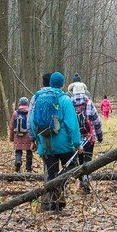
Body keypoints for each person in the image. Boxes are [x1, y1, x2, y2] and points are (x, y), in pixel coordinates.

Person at [29, 71, 82, 211]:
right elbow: (72, 124)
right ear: (63, 84)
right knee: (72, 169)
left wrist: (34, 139)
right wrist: (77, 144)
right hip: (64, 145)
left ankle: (50, 203)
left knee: (51, 173)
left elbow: (32, 120)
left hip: (46, 143)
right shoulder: (65, 99)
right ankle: (59, 197)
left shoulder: (37, 97)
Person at [72, 92, 103, 192]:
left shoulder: (69, 103)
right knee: (88, 160)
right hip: (89, 137)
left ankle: (82, 180)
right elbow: (96, 121)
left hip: (76, 138)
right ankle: (87, 180)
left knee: (80, 160)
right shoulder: (88, 103)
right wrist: (99, 136)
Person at [10, 97, 34, 172]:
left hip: (18, 135)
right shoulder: (30, 112)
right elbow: (32, 124)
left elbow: (12, 126)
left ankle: (18, 162)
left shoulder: (15, 113)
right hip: (28, 135)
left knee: (18, 151)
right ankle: (29, 168)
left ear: (19, 103)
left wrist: (11, 137)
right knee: (29, 152)